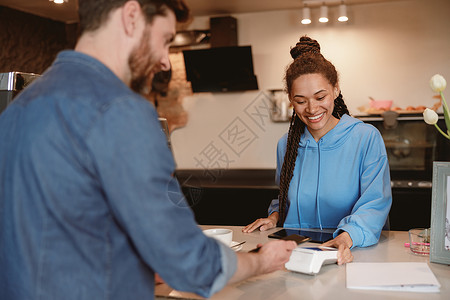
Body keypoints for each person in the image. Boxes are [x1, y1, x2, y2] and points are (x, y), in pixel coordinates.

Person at [0, 1, 297, 299]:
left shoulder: (17, 109)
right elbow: (186, 260)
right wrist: (262, 259)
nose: (166, 61)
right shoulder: (121, 110)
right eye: (166, 39)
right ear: (131, 17)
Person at [243, 36, 392, 265]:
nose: (312, 109)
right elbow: (286, 198)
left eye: (320, 97)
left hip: (348, 255)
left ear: (335, 89)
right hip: (296, 257)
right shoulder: (286, 145)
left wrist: (348, 236)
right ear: (291, 100)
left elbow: (375, 203)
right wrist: (275, 216)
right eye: (300, 101)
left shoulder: (365, 138)